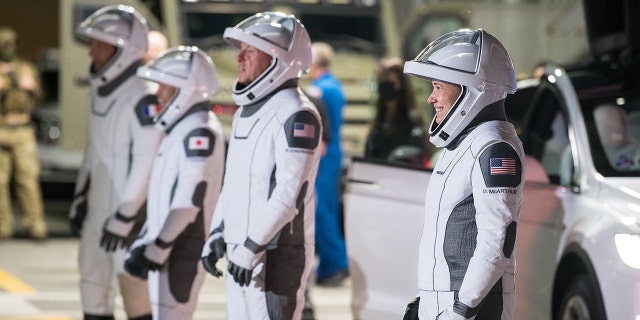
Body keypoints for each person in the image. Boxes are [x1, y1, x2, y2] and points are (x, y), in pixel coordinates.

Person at [200, 11, 322, 320]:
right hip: (242, 255)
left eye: (249, 50)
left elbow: (289, 194)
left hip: (276, 256)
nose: (239, 57)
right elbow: (234, 182)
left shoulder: (298, 114)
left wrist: (250, 247)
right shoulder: (246, 112)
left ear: (277, 59)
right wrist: (217, 232)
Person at [402, 29, 525, 320]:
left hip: (470, 308)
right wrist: (427, 302)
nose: (431, 98)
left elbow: (497, 239)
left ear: (472, 89)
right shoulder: (469, 142)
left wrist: (462, 310)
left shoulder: (495, 146)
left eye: (437, 86)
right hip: (450, 303)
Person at [70, 5, 162, 320]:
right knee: (92, 285)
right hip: (97, 213)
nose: (91, 52)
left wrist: (126, 214)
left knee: (134, 292)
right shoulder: (100, 93)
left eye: (99, 44)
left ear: (123, 50)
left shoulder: (143, 97)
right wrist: (81, 196)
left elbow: (147, 161)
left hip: (129, 219)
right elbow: (93, 151)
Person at [121, 46, 225, 319]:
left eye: (164, 87)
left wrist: (156, 248)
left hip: (182, 249)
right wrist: (147, 241)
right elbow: (164, 200)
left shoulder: (200, 130)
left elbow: (187, 202)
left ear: (185, 90)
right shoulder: (185, 127)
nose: (157, 95)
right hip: (168, 247)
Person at [306, 41, 348, 286]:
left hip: (323, 155)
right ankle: (334, 263)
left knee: (321, 210)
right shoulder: (335, 85)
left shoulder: (318, 89)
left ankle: (335, 263)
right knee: (328, 208)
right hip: (333, 153)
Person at [0, 26, 47, 240]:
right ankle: (3, 227)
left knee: (28, 179)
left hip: (23, 129)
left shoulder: (25, 68)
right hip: (1, 127)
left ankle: (35, 226)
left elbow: (41, 97)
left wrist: (33, 87)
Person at [364, 56, 428, 166]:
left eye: (388, 80)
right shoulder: (380, 118)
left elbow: (416, 157)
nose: (383, 84)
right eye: (381, 79)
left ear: (400, 83)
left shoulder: (412, 120)